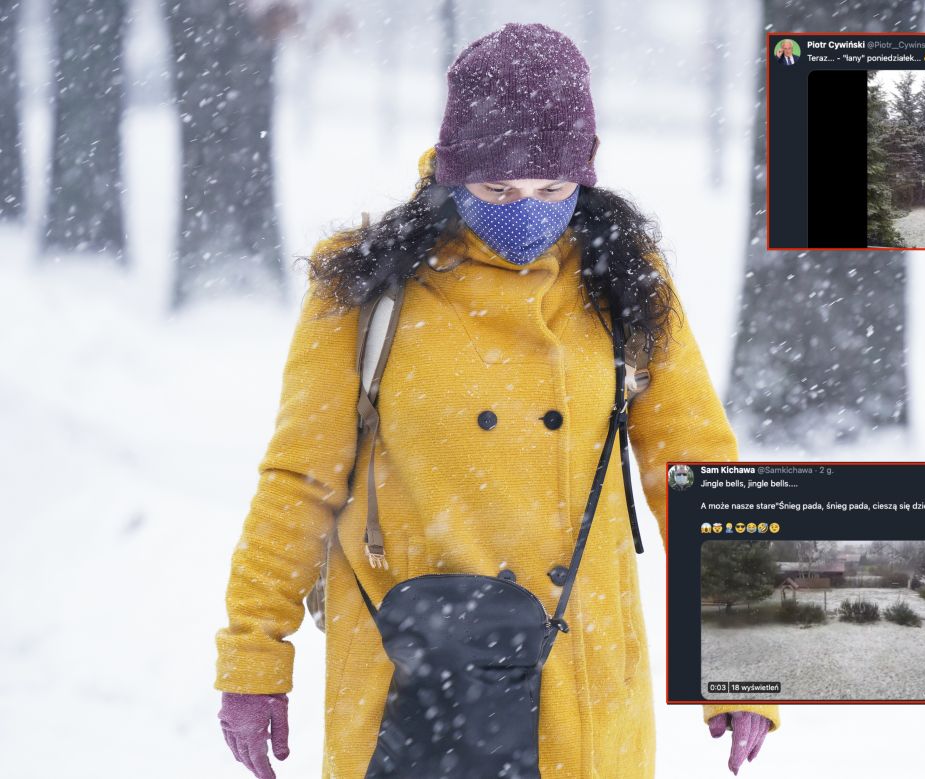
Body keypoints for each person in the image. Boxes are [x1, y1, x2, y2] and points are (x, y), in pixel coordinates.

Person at [214, 22, 777, 779]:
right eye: (497, 190)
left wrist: (742, 664)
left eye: (552, 190)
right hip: (413, 679)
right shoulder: (367, 281)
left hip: (576, 675)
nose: (526, 211)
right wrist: (253, 658)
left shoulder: (624, 277)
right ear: (453, 170)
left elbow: (698, 473)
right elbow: (300, 479)